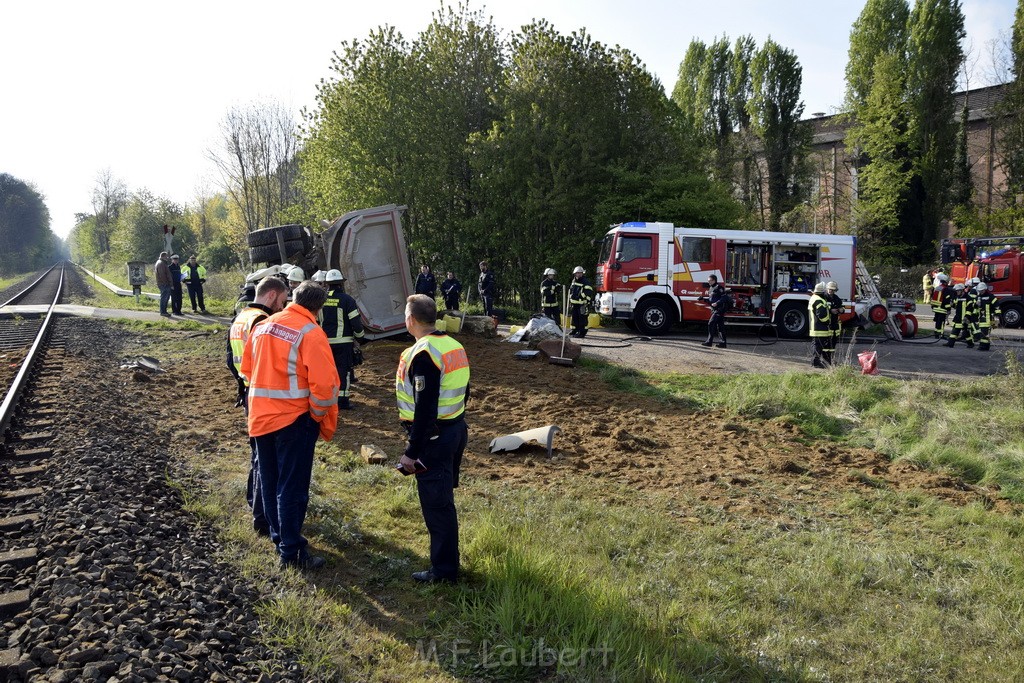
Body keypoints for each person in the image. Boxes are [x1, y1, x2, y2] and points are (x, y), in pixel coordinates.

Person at [241, 282, 340, 570]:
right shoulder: (311, 333)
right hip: (294, 420)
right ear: (317, 309)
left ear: (294, 299)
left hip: (261, 417)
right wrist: (317, 417)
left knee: (270, 483)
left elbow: (248, 370)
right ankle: (292, 551)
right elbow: (325, 387)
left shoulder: (263, 326)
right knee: (292, 488)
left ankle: (279, 538)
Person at [396, 294, 470, 584]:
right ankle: (445, 564)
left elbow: (425, 407)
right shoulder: (453, 345)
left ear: (411, 320)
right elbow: (465, 390)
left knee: (437, 506)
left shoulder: (424, 352)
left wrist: (412, 452)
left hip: (435, 438)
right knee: (443, 501)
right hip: (454, 430)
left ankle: (444, 571)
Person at [228, 276, 289, 536]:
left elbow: (230, 360)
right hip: (262, 397)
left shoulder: (240, 317)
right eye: (284, 300)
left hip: (248, 393)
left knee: (257, 454)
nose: (283, 306)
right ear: (273, 295)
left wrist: (244, 385)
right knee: (266, 458)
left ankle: (255, 503)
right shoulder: (262, 322)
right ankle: (263, 517)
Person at [320, 269, 364, 410]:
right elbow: (355, 322)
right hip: (344, 343)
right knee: (343, 371)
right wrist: (360, 337)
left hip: (324, 343)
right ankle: (343, 401)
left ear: (327, 284)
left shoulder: (321, 300)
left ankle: (329, 399)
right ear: (341, 284)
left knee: (327, 372)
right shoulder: (347, 300)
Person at [700, 274, 728, 348]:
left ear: (714, 280)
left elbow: (725, 298)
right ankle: (723, 343)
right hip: (714, 309)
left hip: (719, 309)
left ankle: (709, 342)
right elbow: (711, 300)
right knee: (720, 326)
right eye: (708, 281)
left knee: (711, 323)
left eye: (710, 281)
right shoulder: (711, 288)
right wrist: (703, 299)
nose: (709, 282)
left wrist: (717, 303)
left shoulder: (719, 288)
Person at [567, 266, 595, 338]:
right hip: (574, 303)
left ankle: (582, 332)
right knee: (574, 318)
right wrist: (571, 299)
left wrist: (580, 296)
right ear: (575, 274)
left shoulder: (585, 282)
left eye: (580, 273)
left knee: (582, 318)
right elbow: (571, 291)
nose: (578, 274)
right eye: (577, 273)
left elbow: (588, 292)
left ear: (582, 273)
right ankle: (574, 330)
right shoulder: (573, 281)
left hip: (582, 304)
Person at [809, 282, 832, 368]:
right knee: (818, 346)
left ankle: (816, 362)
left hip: (816, 327)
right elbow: (822, 315)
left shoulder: (814, 298)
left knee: (817, 345)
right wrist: (827, 321)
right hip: (819, 327)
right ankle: (816, 362)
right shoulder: (818, 300)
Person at [973, 281, 1000, 351]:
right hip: (981, 318)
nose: (980, 292)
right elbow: (974, 307)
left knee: (984, 333)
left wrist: (997, 316)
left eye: (981, 291)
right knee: (985, 333)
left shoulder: (991, 297)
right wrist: (976, 304)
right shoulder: (978, 297)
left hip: (989, 318)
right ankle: (986, 346)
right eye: (979, 291)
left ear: (985, 289)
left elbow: (997, 306)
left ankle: (982, 346)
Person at [945, 283, 973, 348]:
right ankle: (950, 343)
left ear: (962, 290)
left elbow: (970, 309)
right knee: (958, 331)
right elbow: (956, 306)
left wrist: (966, 317)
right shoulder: (958, 297)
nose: (957, 292)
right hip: (958, 317)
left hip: (965, 318)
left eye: (958, 291)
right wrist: (952, 305)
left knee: (963, 332)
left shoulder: (968, 298)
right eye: (956, 291)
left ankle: (970, 344)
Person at [825, 280, 844, 363]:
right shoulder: (824, 297)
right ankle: (825, 359)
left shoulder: (837, 299)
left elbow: (842, 308)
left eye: (832, 290)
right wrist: (830, 310)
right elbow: (821, 309)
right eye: (829, 289)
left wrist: (841, 310)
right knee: (826, 342)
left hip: (834, 323)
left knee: (833, 342)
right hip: (826, 323)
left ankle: (831, 359)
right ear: (827, 289)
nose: (831, 291)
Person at [931, 273, 952, 339]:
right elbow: (946, 300)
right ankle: (941, 334)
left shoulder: (937, 288)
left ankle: (936, 334)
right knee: (942, 322)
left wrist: (933, 306)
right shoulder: (946, 289)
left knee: (937, 321)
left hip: (936, 308)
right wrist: (948, 309)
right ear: (945, 282)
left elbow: (933, 297)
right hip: (942, 308)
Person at [155, 251, 173, 317]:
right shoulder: (161, 263)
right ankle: (163, 312)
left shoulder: (160, 262)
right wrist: (167, 283)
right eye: (166, 256)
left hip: (162, 283)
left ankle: (164, 311)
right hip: (164, 284)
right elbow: (162, 274)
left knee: (165, 297)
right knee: (164, 298)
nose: (167, 258)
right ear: (163, 256)